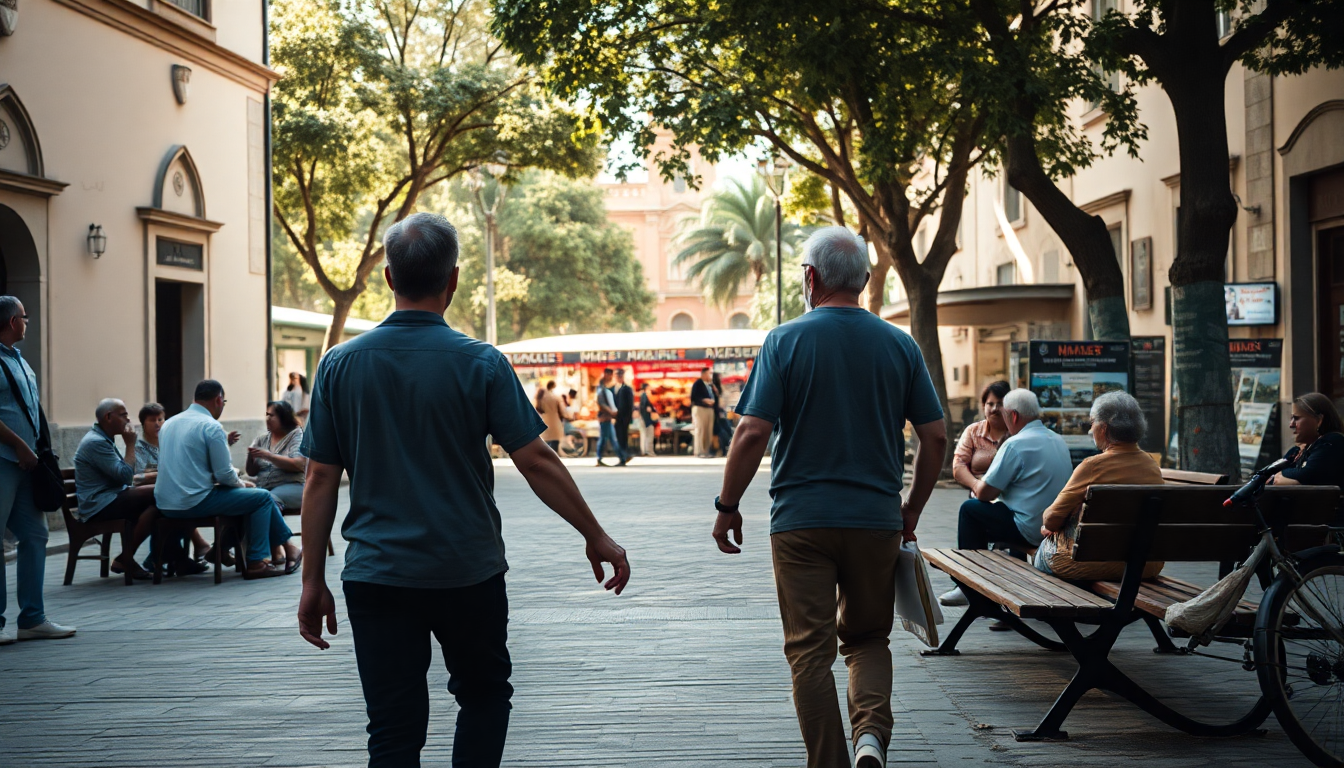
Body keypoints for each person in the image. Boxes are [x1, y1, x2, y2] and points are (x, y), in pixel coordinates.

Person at [296, 212, 630, 768]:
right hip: (467, 571)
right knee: (483, 698)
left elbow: (319, 478)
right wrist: (595, 535)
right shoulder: (482, 363)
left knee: (393, 729)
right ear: (454, 279)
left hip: (377, 574)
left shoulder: (339, 365)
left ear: (387, 277)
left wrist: (312, 580)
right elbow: (536, 460)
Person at [710, 227, 947, 768]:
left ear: (810, 277)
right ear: (864, 279)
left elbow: (751, 433)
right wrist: (911, 508)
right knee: (867, 640)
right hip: (876, 520)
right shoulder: (900, 344)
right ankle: (870, 740)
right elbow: (935, 437)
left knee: (808, 653)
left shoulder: (784, 340)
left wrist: (728, 506)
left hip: (800, 523)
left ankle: (829, 763)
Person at [940, 389, 1071, 608]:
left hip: (1030, 529)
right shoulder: (1058, 440)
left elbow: (984, 493)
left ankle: (972, 586)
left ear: (1014, 416)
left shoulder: (1015, 444)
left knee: (971, 510)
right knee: (1005, 511)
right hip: (1055, 527)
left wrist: (974, 485)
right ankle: (1001, 589)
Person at [155, 379, 297, 579]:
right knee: (262, 497)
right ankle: (258, 561)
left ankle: (286, 549)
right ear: (219, 400)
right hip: (193, 501)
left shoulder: (168, 424)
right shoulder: (211, 426)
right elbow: (224, 474)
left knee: (251, 498)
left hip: (164, 503)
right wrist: (242, 484)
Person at [0, 295, 76, 644]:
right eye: (25, 317)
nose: (27, 322)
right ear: (13, 321)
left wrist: (38, 449)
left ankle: (31, 618)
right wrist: (18, 444)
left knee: (36, 535)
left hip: (27, 464)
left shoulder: (20, 362)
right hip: (4, 461)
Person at [1033, 391, 1165, 580]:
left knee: (1044, 550)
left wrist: (1050, 526)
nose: (1090, 429)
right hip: (1145, 565)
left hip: (1088, 563)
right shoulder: (1151, 465)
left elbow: (1051, 519)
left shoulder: (1092, 466)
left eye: (1092, 422)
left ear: (1103, 429)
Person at [72, 399, 158, 580]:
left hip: (111, 498)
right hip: (98, 505)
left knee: (156, 508)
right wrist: (130, 445)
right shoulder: (96, 442)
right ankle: (127, 558)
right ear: (108, 417)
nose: (128, 419)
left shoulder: (104, 439)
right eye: (123, 414)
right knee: (158, 493)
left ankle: (130, 558)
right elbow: (125, 476)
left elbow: (124, 477)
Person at [247, 401, 308, 572]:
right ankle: (222, 549)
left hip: (293, 486)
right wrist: (250, 456)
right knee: (249, 501)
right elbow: (251, 472)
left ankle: (288, 547)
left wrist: (268, 456)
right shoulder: (262, 439)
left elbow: (298, 464)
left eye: (271, 415)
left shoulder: (296, 435)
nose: (267, 418)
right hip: (266, 487)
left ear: (283, 417)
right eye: (266, 414)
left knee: (267, 500)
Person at [1269, 393, 1344, 488]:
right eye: (1291, 418)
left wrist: (1288, 478)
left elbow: (1307, 473)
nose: (1291, 425)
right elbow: (1270, 475)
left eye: (1296, 418)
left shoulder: (1333, 441)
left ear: (1319, 420)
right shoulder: (1298, 450)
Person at [952, 381, 1011, 491]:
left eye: (1000, 404)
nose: (994, 409)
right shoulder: (973, 431)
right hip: (979, 496)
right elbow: (959, 465)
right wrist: (977, 486)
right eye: (990, 404)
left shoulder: (1016, 432)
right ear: (984, 406)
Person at [594, 368, 629, 467]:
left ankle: (620, 457)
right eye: (610, 375)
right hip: (604, 417)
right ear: (606, 374)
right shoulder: (601, 387)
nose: (611, 377)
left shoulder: (605, 386)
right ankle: (621, 457)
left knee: (607, 438)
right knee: (609, 439)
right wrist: (611, 412)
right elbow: (600, 402)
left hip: (607, 417)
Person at [690, 367, 716, 458]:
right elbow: (693, 397)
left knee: (708, 431)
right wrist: (704, 400)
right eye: (709, 373)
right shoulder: (698, 384)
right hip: (700, 408)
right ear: (704, 374)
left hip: (709, 409)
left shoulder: (709, 385)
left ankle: (706, 451)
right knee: (700, 430)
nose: (711, 376)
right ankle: (699, 451)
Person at [538, 381, 566, 452]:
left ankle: (548, 456)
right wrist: (563, 418)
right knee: (555, 439)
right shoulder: (556, 397)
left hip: (546, 419)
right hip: (555, 419)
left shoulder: (542, 397)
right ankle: (555, 454)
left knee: (546, 440)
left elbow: (538, 408)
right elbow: (560, 410)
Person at [712, 371, 734, 457]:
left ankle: (724, 449)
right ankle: (723, 450)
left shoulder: (717, 388)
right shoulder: (715, 388)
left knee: (724, 431)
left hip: (719, 412)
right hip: (718, 413)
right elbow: (718, 402)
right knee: (723, 431)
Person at [613, 368, 635, 457]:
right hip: (617, 418)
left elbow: (630, 405)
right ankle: (623, 455)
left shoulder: (627, 389)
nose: (618, 377)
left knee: (622, 437)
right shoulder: (615, 388)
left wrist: (627, 418)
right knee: (619, 437)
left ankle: (624, 455)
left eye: (619, 375)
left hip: (623, 418)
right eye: (617, 375)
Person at [638, 382, 659, 456]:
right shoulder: (645, 395)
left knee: (644, 435)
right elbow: (646, 407)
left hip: (643, 418)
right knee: (649, 435)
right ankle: (649, 451)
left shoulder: (641, 395)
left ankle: (644, 451)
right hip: (647, 419)